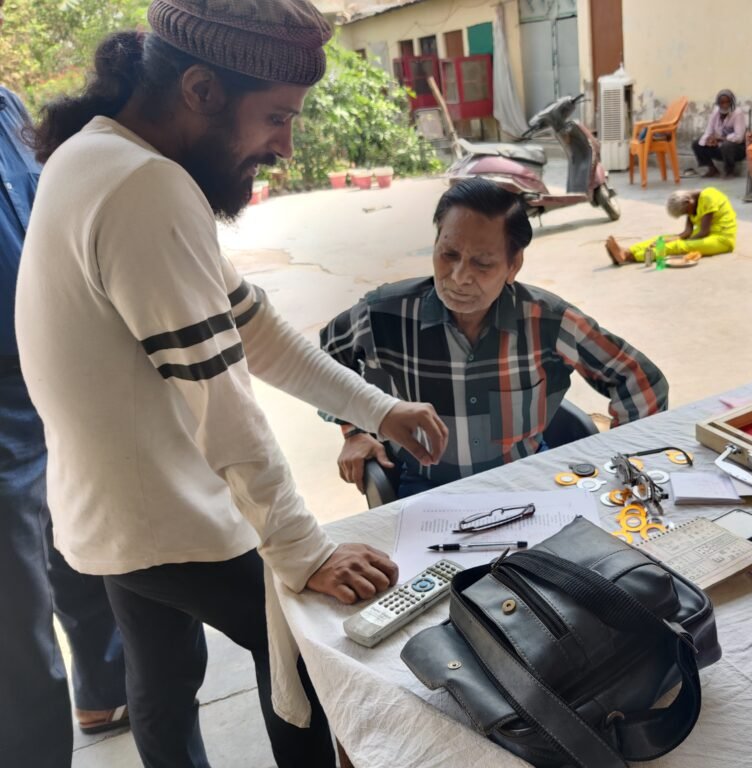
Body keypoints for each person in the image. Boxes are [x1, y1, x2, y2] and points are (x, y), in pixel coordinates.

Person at [15, 2, 448, 766]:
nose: (286, 145)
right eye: (277, 117)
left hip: (108, 517)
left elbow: (253, 328)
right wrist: (302, 550)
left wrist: (378, 409)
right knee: (303, 653)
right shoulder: (145, 188)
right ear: (200, 91)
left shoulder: (97, 152)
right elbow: (221, 400)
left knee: (163, 682)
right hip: (164, 517)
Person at [321, 177, 668, 497]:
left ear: (513, 265)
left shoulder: (548, 321)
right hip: (428, 489)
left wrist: (624, 465)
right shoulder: (383, 315)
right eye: (449, 254)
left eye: (483, 263)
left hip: (530, 481)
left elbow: (640, 381)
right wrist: (354, 431)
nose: (459, 277)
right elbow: (324, 363)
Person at [0, 77, 129, 768]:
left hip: (47, 364)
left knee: (79, 534)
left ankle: (102, 690)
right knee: (16, 603)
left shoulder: (7, 104)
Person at [605, 188, 737, 267]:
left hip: (721, 239)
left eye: (686, 212)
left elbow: (704, 232)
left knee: (678, 246)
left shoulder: (709, 197)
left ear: (688, 202)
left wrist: (674, 242)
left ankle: (630, 257)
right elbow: (687, 232)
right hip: (705, 234)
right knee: (661, 239)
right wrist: (667, 240)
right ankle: (627, 251)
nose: (688, 215)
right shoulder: (691, 203)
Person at [691, 89, 747, 178]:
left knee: (727, 145)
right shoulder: (716, 111)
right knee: (697, 144)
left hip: (737, 150)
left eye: (727, 102)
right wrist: (709, 140)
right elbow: (709, 130)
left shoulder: (737, 113)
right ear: (718, 103)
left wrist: (720, 138)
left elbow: (739, 137)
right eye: (722, 103)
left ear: (732, 102)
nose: (725, 105)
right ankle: (712, 169)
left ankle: (729, 171)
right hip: (720, 146)